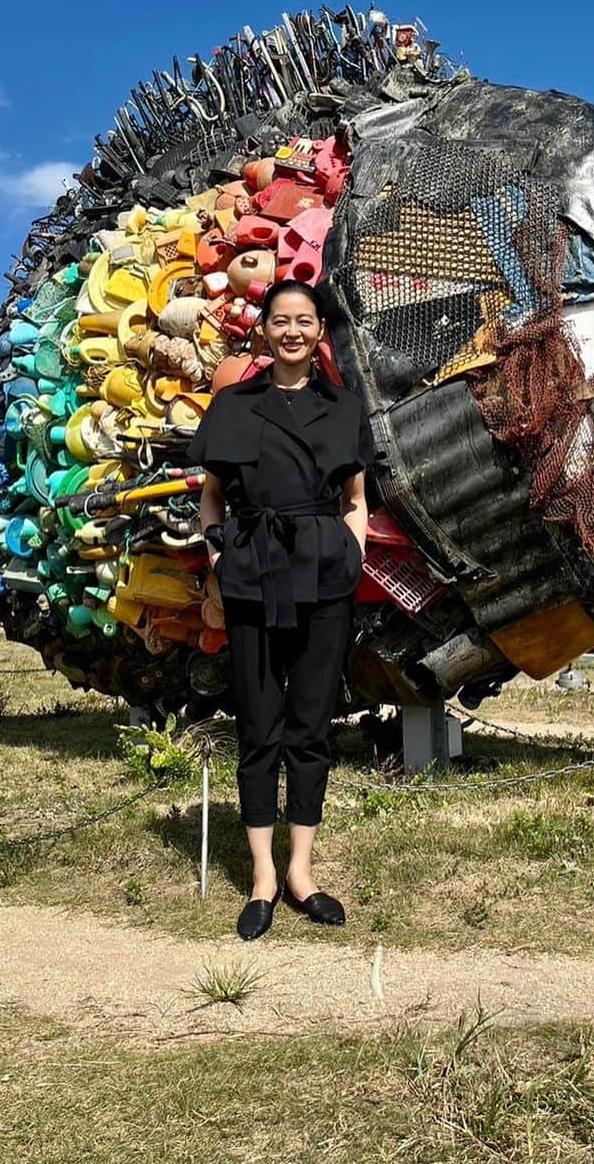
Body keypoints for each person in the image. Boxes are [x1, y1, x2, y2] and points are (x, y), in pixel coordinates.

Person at [189, 280, 374, 941]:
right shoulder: (235, 405)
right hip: (252, 572)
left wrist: (349, 556)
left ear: (319, 330)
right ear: (263, 330)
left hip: (325, 574)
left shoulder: (343, 406)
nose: (292, 331)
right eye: (280, 320)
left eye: (304, 320)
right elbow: (212, 496)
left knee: (312, 724)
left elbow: (356, 495)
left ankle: (302, 872)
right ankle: (263, 876)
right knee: (259, 723)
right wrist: (219, 556)